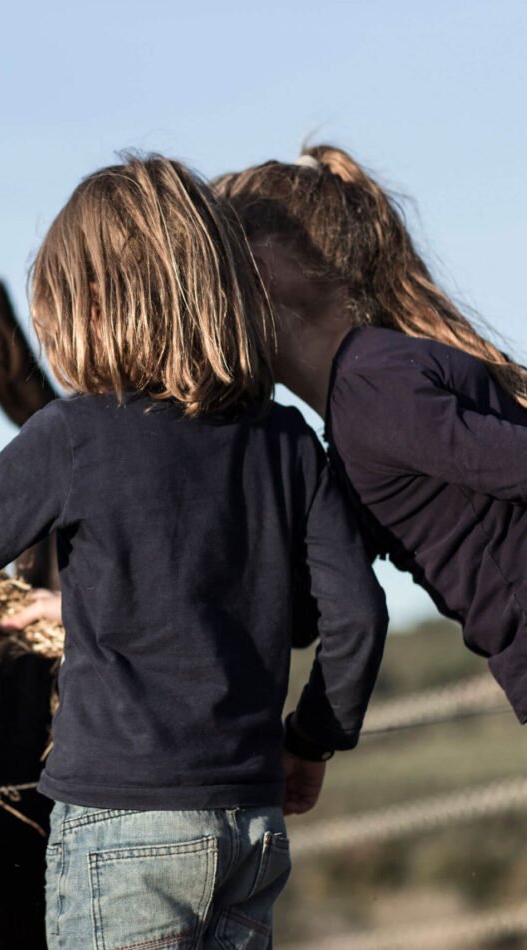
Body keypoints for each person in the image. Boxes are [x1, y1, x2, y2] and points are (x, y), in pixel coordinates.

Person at [0, 155, 388, 949]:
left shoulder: (75, 435)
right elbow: (357, 617)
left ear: (94, 305)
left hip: (125, 832)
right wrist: (310, 740)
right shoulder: (286, 442)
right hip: (252, 825)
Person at [212, 145, 527, 722]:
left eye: (212, 275)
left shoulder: (373, 393)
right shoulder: (364, 403)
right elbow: (313, 606)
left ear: (266, 272)